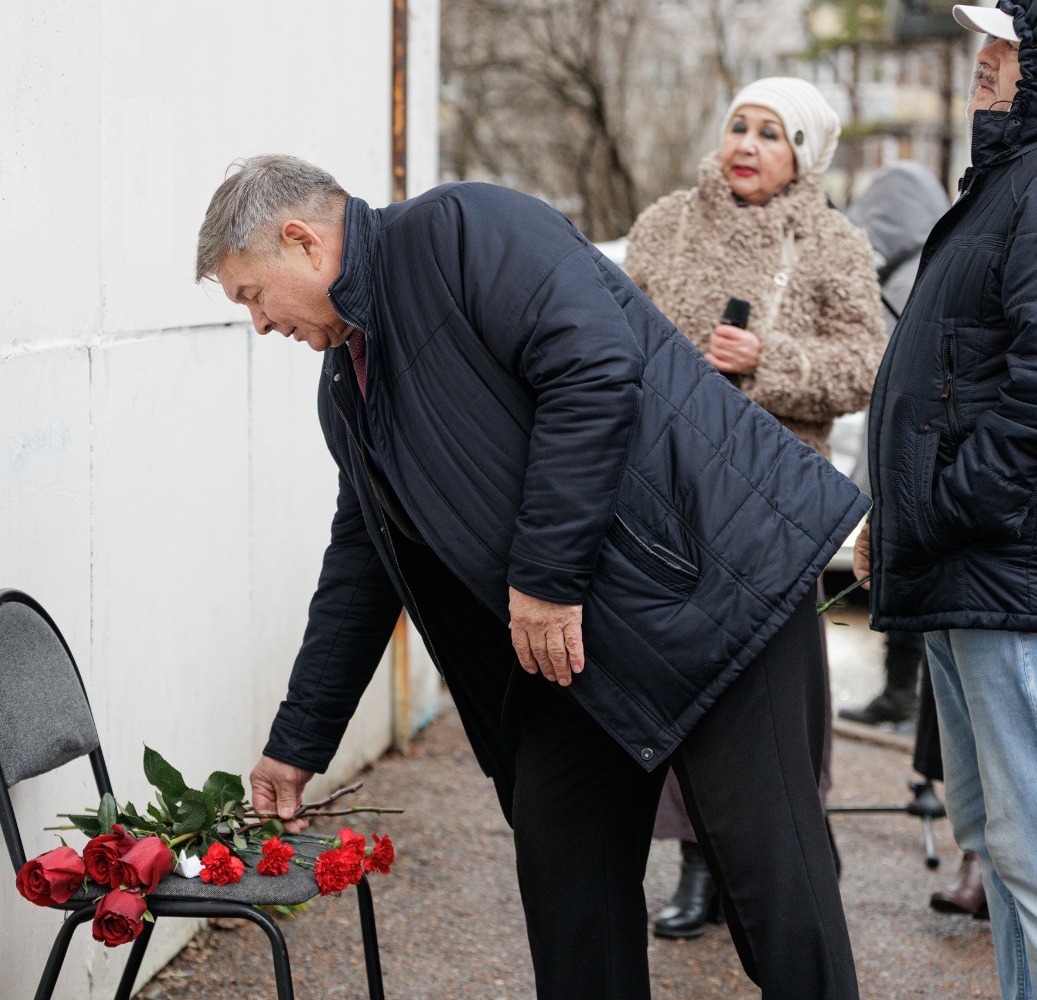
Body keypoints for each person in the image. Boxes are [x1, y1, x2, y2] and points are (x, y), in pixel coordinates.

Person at [196, 154, 865, 997]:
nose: (259, 324)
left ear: (301, 241)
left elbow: (592, 370)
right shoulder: (346, 386)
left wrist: (545, 578)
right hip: (574, 650)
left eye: (252, 296)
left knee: (777, 893)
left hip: (718, 591)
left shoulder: (464, 229)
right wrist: (297, 746)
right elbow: (364, 563)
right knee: (567, 881)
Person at [624, 77, 885, 938]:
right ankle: (698, 862)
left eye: (772, 133)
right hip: (672, 492)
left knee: (781, 692)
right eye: (740, 124)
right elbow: (613, 338)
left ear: (803, 153)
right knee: (681, 679)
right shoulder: (666, 223)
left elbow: (867, 364)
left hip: (776, 500)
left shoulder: (833, 242)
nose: (747, 144)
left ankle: (788, 856)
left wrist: (769, 360)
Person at [855, 2, 1037, 996]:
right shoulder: (1001, 184)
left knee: (1033, 855)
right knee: (1007, 856)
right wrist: (902, 514)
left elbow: (1033, 398)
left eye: (1007, 41)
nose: (986, 59)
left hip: (1004, 574)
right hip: (963, 567)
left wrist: (943, 507)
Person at [839, 163, 951, 728]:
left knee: (908, 580)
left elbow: (891, 391)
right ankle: (909, 704)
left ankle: (903, 699)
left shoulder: (899, 282)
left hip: (912, 464)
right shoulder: (940, 263)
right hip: (941, 466)